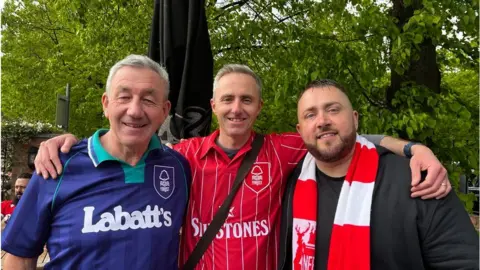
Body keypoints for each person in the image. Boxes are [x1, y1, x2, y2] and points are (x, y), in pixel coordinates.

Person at [34, 65, 451, 270]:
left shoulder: (283, 148)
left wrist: (415, 148)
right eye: (228, 100)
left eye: (247, 100)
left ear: (259, 107)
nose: (237, 109)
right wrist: (69, 143)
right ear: (214, 106)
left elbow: (343, 136)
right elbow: (130, 139)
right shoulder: (182, 155)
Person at [2, 55, 191, 270]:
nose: (135, 111)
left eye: (148, 100)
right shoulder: (56, 166)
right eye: (124, 97)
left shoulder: (178, 168)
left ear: (164, 111)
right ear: (106, 104)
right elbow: (20, 257)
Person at [279, 79, 479, 270]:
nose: (322, 121)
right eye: (310, 115)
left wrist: (415, 148)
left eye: (333, 110)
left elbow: (464, 262)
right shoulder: (287, 184)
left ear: (355, 119)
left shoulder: (416, 180)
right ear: (300, 130)